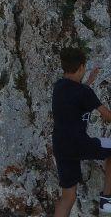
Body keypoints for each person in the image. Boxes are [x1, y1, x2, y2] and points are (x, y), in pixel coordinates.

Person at [53, 46, 111, 216]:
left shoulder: (59, 87)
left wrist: (89, 82)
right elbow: (107, 116)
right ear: (81, 67)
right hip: (79, 144)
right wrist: (88, 87)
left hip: (61, 147)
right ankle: (107, 201)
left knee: (68, 197)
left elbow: (75, 96)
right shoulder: (84, 92)